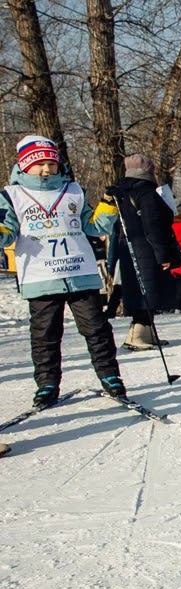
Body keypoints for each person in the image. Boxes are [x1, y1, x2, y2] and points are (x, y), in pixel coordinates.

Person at [0, 135, 126, 406]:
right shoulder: (12, 195)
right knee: (45, 333)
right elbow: (7, 231)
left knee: (96, 327)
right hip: (40, 276)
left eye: (51, 163)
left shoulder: (73, 190)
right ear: (24, 165)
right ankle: (47, 383)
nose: (46, 169)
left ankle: (110, 376)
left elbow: (94, 226)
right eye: (39, 164)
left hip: (79, 271)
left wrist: (107, 205)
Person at [109, 153, 181, 351]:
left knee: (140, 288)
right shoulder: (147, 193)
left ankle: (147, 331)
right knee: (147, 289)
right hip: (146, 249)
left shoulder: (122, 192)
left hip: (128, 247)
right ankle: (137, 333)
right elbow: (153, 226)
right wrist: (164, 254)